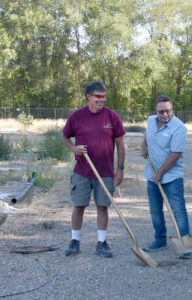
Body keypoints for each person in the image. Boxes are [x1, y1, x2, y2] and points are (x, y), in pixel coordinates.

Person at [62, 81, 125, 258]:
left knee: (102, 206)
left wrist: (120, 168)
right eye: (98, 96)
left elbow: (120, 144)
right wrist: (73, 148)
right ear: (88, 96)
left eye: (104, 96)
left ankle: (102, 243)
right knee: (79, 206)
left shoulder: (112, 117)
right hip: (82, 171)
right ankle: (74, 241)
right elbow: (64, 137)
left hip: (105, 172)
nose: (101, 100)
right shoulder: (76, 116)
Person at [141, 95, 192, 258]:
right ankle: (160, 240)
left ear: (172, 109)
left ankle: (186, 244)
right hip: (152, 174)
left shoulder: (179, 128)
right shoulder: (150, 120)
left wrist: (160, 174)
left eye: (167, 110)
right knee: (155, 210)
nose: (164, 114)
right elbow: (147, 134)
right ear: (155, 111)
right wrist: (144, 146)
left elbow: (175, 154)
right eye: (160, 111)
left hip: (171, 177)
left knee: (178, 210)